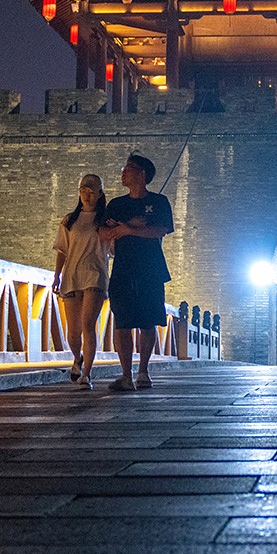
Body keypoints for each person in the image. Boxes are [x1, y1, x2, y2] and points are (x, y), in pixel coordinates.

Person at [100, 153, 173, 391]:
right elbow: (104, 233)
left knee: (148, 321)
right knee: (122, 321)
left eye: (128, 168)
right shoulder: (116, 205)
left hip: (150, 267)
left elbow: (159, 230)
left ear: (142, 174)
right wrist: (126, 229)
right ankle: (125, 375)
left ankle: (143, 371)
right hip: (123, 268)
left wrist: (127, 229)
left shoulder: (159, 202)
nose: (123, 172)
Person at [53, 173, 111, 390]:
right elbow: (62, 250)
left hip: (96, 275)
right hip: (72, 275)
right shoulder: (69, 220)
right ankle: (77, 358)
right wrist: (57, 275)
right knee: (73, 330)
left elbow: (113, 249)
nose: (87, 194)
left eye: (91, 190)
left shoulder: (105, 221)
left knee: (88, 324)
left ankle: (87, 373)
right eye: (83, 190)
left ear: (100, 194)